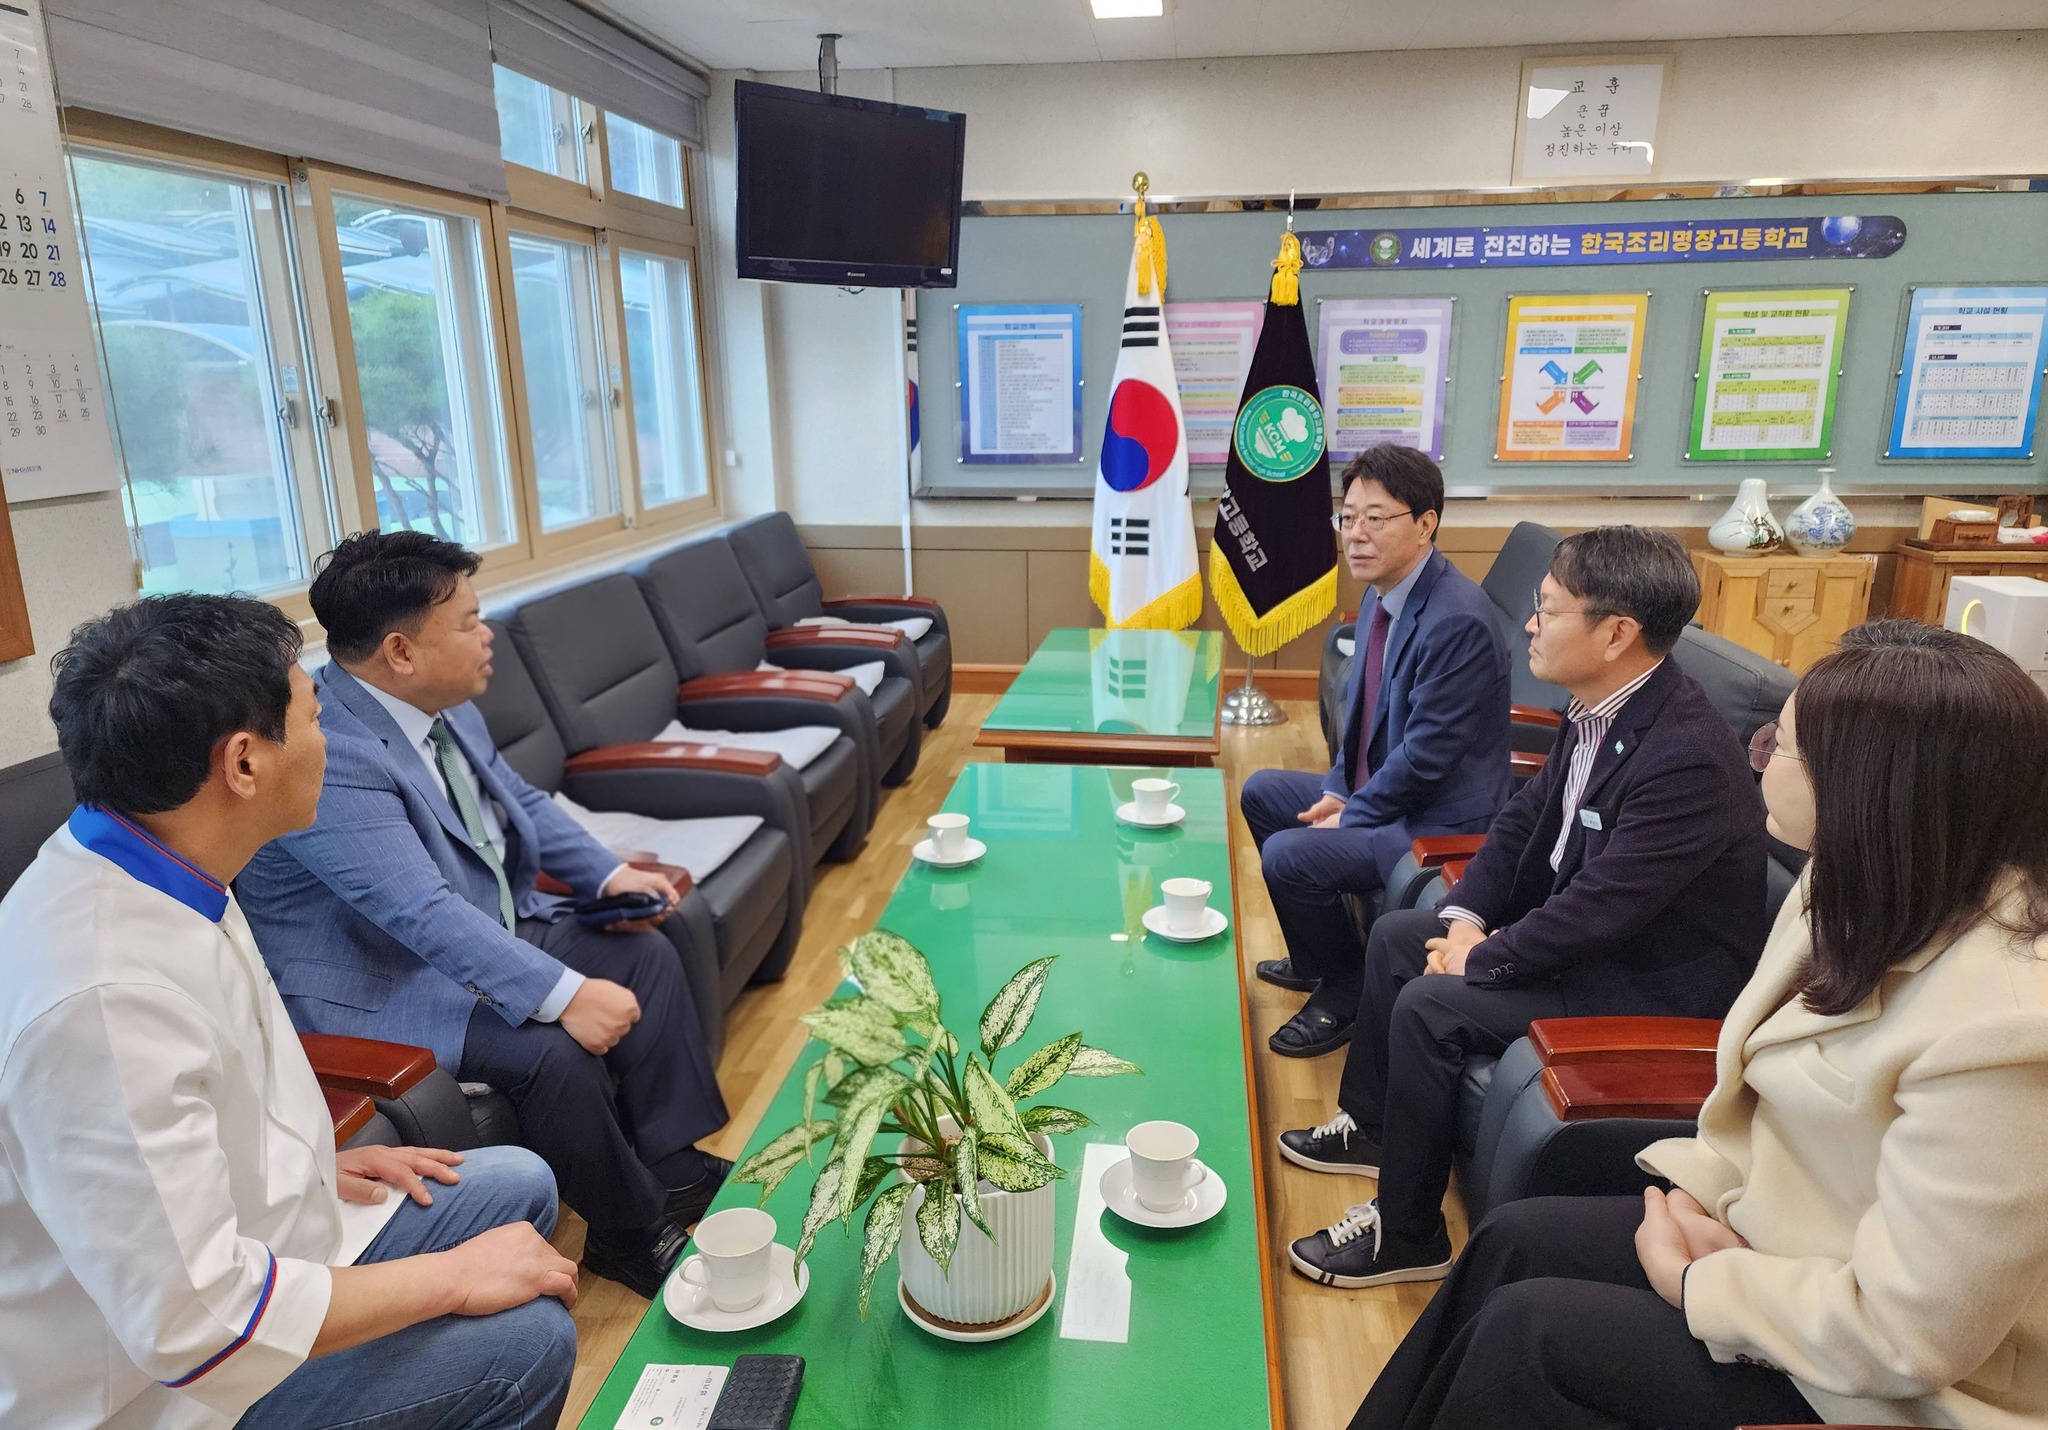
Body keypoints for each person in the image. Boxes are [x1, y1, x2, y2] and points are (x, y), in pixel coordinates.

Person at [1352, 618, 2048, 1430]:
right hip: (1771, 1243)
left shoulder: (2004, 1030)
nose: (1759, 759)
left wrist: (1699, 1282)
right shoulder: (1844, 886)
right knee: (1512, 1239)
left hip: (1879, 1380)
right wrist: (1701, 1202)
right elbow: (1763, 1117)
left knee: (1529, 1335)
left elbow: (1911, 1336)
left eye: (1782, 747)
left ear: (1870, 787)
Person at [0, 595, 580, 1429]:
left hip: (261, 1251)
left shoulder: (164, 851)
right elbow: (195, 1329)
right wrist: (455, 1279)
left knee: (517, 1182)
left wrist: (304, 1166)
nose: (331, 740)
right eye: (315, 717)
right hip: (172, 1390)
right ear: (244, 763)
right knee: (524, 1345)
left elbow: (197, 1102)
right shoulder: (99, 1000)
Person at [236, 531, 729, 1301]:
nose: (487, 633)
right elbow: (421, 914)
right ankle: (630, 1236)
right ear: (401, 652)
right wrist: (567, 995)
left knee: (645, 953)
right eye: (468, 622)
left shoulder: (443, 704)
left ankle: (671, 1167)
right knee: (552, 1052)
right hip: (391, 982)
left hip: (487, 922)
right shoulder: (334, 754)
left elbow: (517, 798)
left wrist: (609, 872)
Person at [1281, 526, 1769, 1289]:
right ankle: (1374, 1129)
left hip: (1646, 983)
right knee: (1403, 936)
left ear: (1615, 633)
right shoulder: (1600, 705)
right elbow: (1522, 822)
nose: (1531, 625)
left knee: (1432, 1006)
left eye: (1549, 610)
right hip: (1594, 944)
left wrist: (1482, 959)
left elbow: (1604, 908)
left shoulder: (1687, 757)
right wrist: (1465, 920)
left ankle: (1408, 1236)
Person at [1240, 445, 1512, 1058]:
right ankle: (1318, 958)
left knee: (1288, 855)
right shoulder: (1379, 593)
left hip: (1435, 820)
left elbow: (1426, 759)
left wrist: (1352, 813)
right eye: (1348, 517)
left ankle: (1345, 990)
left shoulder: (1457, 620)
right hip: (1385, 791)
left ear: (1425, 523)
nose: (1356, 534)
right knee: (1262, 792)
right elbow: (1359, 717)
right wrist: (1339, 788)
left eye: (1376, 518)